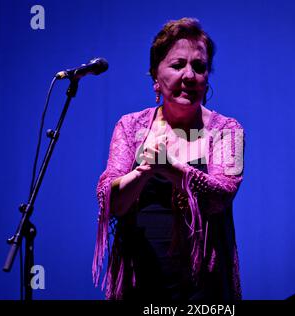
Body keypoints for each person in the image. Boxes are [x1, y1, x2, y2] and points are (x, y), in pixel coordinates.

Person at [92, 17, 244, 301]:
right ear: (155, 76)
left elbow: (222, 195)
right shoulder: (130, 126)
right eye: (177, 65)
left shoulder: (228, 129)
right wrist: (143, 172)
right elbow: (111, 201)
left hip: (204, 287)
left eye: (199, 67)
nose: (189, 75)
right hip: (141, 280)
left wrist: (171, 168)